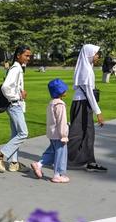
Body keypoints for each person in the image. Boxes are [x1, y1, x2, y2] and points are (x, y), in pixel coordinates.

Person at [0, 45, 32, 173]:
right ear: (18, 55)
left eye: (29, 56)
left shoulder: (18, 67)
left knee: (15, 134)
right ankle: (0, 155)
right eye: (26, 55)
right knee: (23, 133)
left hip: (14, 104)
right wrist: (19, 95)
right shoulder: (16, 68)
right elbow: (5, 87)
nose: (28, 58)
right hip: (14, 104)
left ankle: (14, 163)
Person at [67, 44, 107, 172]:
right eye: (96, 54)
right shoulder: (87, 70)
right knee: (77, 135)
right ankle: (55, 157)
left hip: (81, 103)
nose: (98, 56)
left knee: (87, 134)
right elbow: (89, 93)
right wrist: (98, 112)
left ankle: (90, 161)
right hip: (82, 105)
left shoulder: (85, 67)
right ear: (89, 54)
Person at [31, 78, 70, 183]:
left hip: (51, 133)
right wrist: (64, 135)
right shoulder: (60, 105)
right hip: (59, 134)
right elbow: (61, 122)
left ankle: (38, 164)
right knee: (61, 153)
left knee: (52, 152)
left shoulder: (51, 103)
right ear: (60, 91)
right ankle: (58, 174)